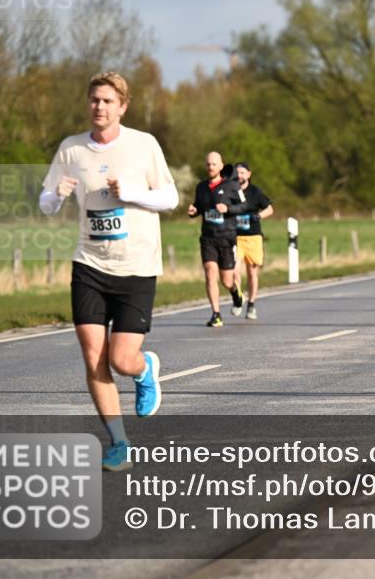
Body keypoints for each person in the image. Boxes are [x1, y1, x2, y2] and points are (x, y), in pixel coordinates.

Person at [40, 72, 178, 470]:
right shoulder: (71, 149)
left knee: (121, 359)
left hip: (136, 266)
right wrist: (56, 194)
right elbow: (46, 202)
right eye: (93, 100)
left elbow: (169, 196)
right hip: (90, 264)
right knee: (93, 357)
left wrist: (131, 193)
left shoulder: (143, 145)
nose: (98, 107)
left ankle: (144, 368)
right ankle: (118, 442)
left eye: (106, 101)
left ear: (122, 106)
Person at [188, 152, 249, 327]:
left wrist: (228, 209)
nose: (210, 167)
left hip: (227, 238)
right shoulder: (201, 187)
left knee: (226, 280)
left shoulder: (232, 186)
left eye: (214, 164)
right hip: (208, 238)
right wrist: (194, 211)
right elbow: (199, 207)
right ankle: (216, 314)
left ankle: (235, 292)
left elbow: (244, 206)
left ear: (221, 166)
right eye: (208, 164)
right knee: (210, 274)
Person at [230, 163, 274, 320]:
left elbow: (270, 209)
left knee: (251, 272)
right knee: (234, 271)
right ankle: (238, 299)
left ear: (249, 174)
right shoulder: (231, 191)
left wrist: (259, 216)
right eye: (237, 173)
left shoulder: (255, 192)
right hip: (235, 237)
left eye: (242, 173)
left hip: (253, 237)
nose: (239, 176)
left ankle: (251, 304)